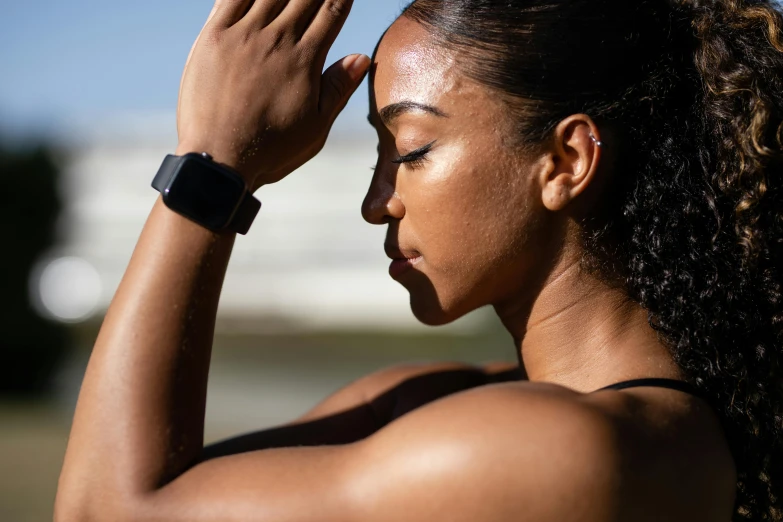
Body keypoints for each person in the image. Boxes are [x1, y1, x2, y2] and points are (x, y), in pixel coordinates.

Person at [54, 0, 783, 520]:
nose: (378, 202)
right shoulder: (433, 400)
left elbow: (106, 510)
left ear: (564, 160)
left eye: (408, 150)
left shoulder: (559, 448)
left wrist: (213, 169)